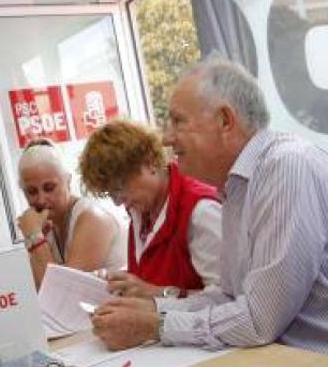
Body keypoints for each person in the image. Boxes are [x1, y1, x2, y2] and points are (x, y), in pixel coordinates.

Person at [91, 58, 328, 353]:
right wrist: (152, 308)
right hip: (299, 365)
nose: (166, 138)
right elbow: (229, 298)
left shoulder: (286, 168)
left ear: (225, 120)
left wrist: (155, 324)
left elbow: (259, 320)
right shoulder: (237, 187)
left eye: (178, 121)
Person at [77, 119, 222, 299]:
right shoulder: (141, 210)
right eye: (111, 193)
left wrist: (156, 293)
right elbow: (150, 275)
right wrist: (119, 281)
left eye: (120, 187)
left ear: (149, 163)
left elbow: (227, 302)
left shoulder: (201, 212)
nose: (118, 202)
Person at [17, 140, 125, 287]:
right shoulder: (47, 226)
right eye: (32, 192)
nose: (41, 200)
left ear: (68, 182)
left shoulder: (92, 217)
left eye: (49, 188)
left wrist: (34, 237)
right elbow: (38, 293)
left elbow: (60, 293)